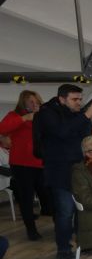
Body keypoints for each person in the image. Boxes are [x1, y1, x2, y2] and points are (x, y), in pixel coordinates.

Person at [36, 84, 92, 259]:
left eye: (80, 99)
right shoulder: (47, 113)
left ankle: (85, 243)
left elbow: (84, 137)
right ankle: (63, 249)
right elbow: (61, 132)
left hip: (79, 168)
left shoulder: (76, 115)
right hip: (59, 170)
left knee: (83, 208)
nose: (79, 102)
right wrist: (86, 115)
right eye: (75, 99)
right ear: (62, 99)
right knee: (65, 212)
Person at [0, 90, 53, 240]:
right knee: (26, 198)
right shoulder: (15, 116)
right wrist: (24, 118)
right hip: (21, 164)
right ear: (23, 103)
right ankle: (31, 229)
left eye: (37, 101)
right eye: (31, 102)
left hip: (41, 163)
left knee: (48, 194)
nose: (35, 104)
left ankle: (53, 218)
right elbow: (2, 128)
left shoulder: (43, 116)